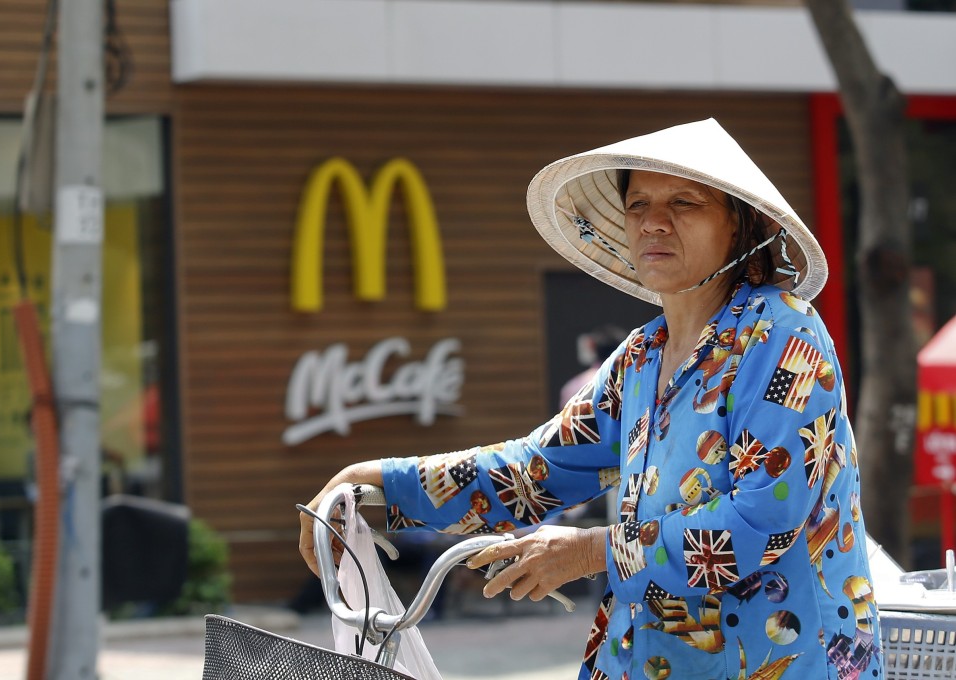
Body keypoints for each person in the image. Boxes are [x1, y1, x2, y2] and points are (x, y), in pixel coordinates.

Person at [300, 119, 882, 679]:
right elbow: (537, 469)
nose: (654, 222)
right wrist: (375, 479)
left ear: (739, 225)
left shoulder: (784, 339)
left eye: (683, 203)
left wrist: (590, 550)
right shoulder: (641, 358)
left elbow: (761, 519)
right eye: (637, 205)